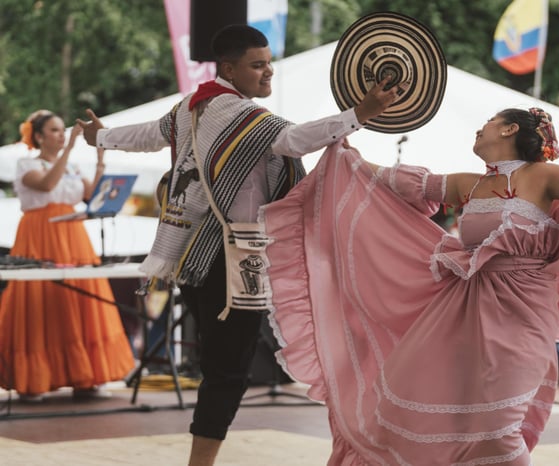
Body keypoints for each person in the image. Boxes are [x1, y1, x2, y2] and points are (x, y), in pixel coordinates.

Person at [260, 107, 559, 464]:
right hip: (464, 308)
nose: (479, 128)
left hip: (525, 308)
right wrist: (346, 154)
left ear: (510, 130)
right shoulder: (470, 185)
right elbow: (382, 181)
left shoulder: (543, 176)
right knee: (456, 413)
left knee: (500, 424)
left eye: (488, 122)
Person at [76, 25, 401, 466]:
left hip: (190, 256)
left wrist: (101, 137)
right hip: (228, 258)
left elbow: (149, 134)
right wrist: (358, 113)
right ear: (230, 68)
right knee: (228, 371)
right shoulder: (237, 113)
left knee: (224, 367)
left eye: (269, 63)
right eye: (257, 65)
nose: (268, 73)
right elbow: (294, 140)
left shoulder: (195, 105)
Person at [0, 110, 135, 402]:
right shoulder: (26, 164)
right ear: (38, 136)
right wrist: (71, 146)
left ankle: (86, 376)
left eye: (63, 130)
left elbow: (91, 195)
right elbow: (47, 184)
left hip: (73, 236)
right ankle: (33, 379)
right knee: (38, 302)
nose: (61, 135)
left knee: (79, 300)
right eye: (55, 130)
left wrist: (100, 157)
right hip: (40, 235)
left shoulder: (71, 168)